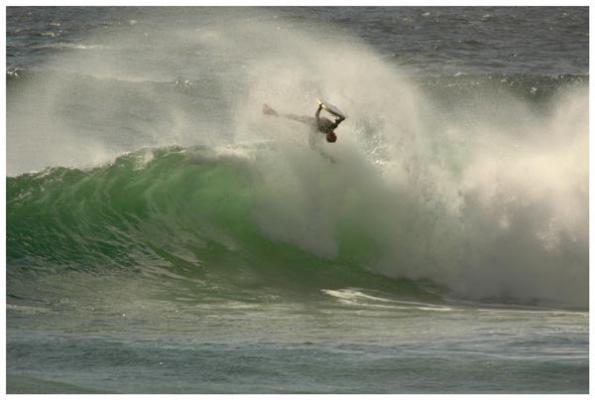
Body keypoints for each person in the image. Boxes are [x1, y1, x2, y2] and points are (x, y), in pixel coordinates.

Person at [262, 102, 345, 149]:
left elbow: (317, 116)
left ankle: (270, 112)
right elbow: (338, 121)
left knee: (293, 117)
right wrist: (341, 118)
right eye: (334, 135)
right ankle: (271, 112)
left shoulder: (323, 129)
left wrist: (319, 108)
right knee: (293, 117)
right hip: (313, 123)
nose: (334, 134)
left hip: (311, 123)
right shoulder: (334, 127)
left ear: (328, 136)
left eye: (332, 136)